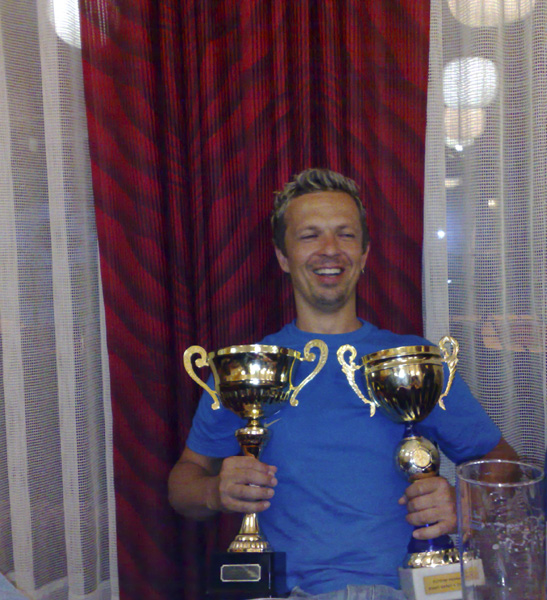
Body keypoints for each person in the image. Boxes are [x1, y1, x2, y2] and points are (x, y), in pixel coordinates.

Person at [168, 168, 517, 600]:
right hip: (288, 593)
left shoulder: (414, 362)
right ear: (282, 257)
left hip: (407, 591)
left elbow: (503, 462)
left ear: (365, 254)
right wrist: (214, 492)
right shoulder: (246, 368)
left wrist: (466, 502)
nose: (330, 249)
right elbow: (183, 483)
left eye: (345, 234)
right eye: (309, 235)